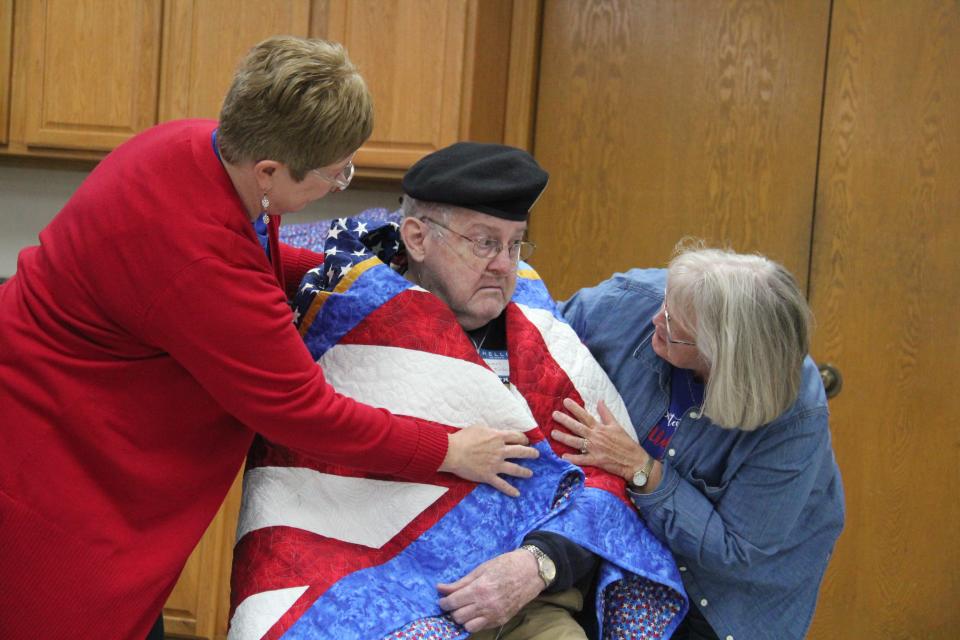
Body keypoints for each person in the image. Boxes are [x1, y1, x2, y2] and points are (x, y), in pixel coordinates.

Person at [0, 37, 536, 640]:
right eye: (336, 175)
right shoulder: (198, 262)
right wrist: (448, 450)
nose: (340, 186)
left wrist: (360, 281)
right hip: (57, 463)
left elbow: (252, 255)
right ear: (269, 172)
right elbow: (303, 411)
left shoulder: (188, 144)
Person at [229, 143, 687, 640]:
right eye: (484, 242)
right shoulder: (348, 317)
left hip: (532, 598)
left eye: (515, 245)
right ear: (417, 237)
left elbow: (599, 481)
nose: (503, 265)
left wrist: (539, 564)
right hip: (376, 592)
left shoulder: (542, 333)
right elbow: (309, 479)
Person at [551, 245, 845, 640]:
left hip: (724, 595)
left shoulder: (795, 418)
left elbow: (736, 551)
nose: (656, 319)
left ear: (723, 356)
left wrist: (641, 469)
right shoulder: (640, 300)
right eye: (666, 305)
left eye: (674, 327)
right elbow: (542, 333)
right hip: (615, 551)